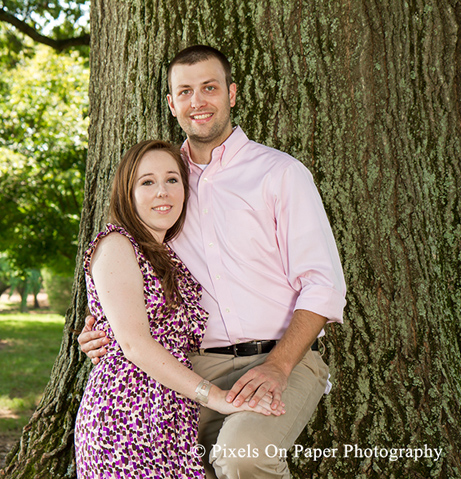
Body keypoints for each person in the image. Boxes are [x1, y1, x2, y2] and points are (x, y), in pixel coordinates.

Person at [79, 45, 347, 479]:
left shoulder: (279, 173)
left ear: (232, 93)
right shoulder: (166, 182)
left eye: (209, 88)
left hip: (283, 357)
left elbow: (324, 284)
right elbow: (131, 277)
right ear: (171, 103)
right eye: (185, 91)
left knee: (242, 457)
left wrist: (278, 365)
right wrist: (104, 334)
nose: (197, 101)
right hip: (191, 368)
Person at [74, 140, 283, 479]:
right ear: (127, 193)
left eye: (172, 180)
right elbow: (134, 344)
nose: (162, 192)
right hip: (124, 419)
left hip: (171, 417)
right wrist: (216, 397)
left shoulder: (168, 255)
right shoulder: (115, 244)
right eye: (147, 182)